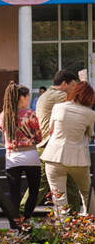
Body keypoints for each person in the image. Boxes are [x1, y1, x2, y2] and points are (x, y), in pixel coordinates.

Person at [20, 70, 80, 211]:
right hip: (51, 148)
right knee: (45, 184)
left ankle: (21, 214)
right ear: (64, 84)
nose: (74, 88)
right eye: (73, 85)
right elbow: (81, 103)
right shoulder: (58, 95)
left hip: (47, 147)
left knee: (65, 184)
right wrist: (84, 83)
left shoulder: (46, 95)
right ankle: (21, 213)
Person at [41, 81, 95, 215]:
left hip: (53, 156)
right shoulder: (89, 114)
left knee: (59, 197)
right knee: (87, 192)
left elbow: (51, 130)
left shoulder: (58, 107)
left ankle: (62, 230)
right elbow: (89, 136)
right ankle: (91, 224)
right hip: (78, 159)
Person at [0, 82, 42, 228]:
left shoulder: (4, 115)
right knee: (34, 191)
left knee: (14, 194)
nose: (29, 99)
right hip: (31, 156)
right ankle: (26, 218)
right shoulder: (30, 114)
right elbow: (39, 137)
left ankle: (14, 225)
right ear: (21, 98)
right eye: (27, 96)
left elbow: (4, 135)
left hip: (12, 158)